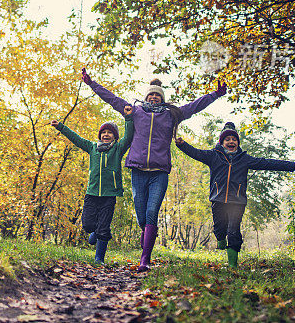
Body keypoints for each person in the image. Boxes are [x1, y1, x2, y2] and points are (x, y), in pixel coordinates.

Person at [81, 68, 226, 271]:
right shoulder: (135, 111)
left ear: (163, 98)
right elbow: (111, 98)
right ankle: (147, 237)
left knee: (151, 213)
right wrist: (91, 83)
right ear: (146, 96)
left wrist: (215, 94)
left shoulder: (171, 115)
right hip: (138, 172)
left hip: (159, 173)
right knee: (142, 217)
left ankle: (145, 259)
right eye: (151, 94)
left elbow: (194, 106)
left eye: (158, 95)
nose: (155, 97)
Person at [175, 122, 295, 268]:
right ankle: (220, 238)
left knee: (234, 231)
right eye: (227, 139)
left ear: (238, 143)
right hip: (218, 199)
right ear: (222, 143)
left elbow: (267, 163)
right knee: (220, 228)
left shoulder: (244, 159)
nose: (231, 142)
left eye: (234, 139)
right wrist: (182, 145)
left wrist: (292, 165)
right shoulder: (213, 156)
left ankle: (232, 265)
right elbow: (195, 152)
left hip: (237, 201)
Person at [50, 105, 134, 265]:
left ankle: (99, 258)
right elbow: (76, 138)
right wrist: (61, 127)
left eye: (110, 132)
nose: (106, 135)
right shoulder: (92, 147)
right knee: (88, 225)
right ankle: (94, 232)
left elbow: (129, 137)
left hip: (109, 195)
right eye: (104, 132)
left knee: (104, 229)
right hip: (92, 193)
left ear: (115, 136)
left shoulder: (118, 149)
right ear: (100, 135)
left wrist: (128, 118)